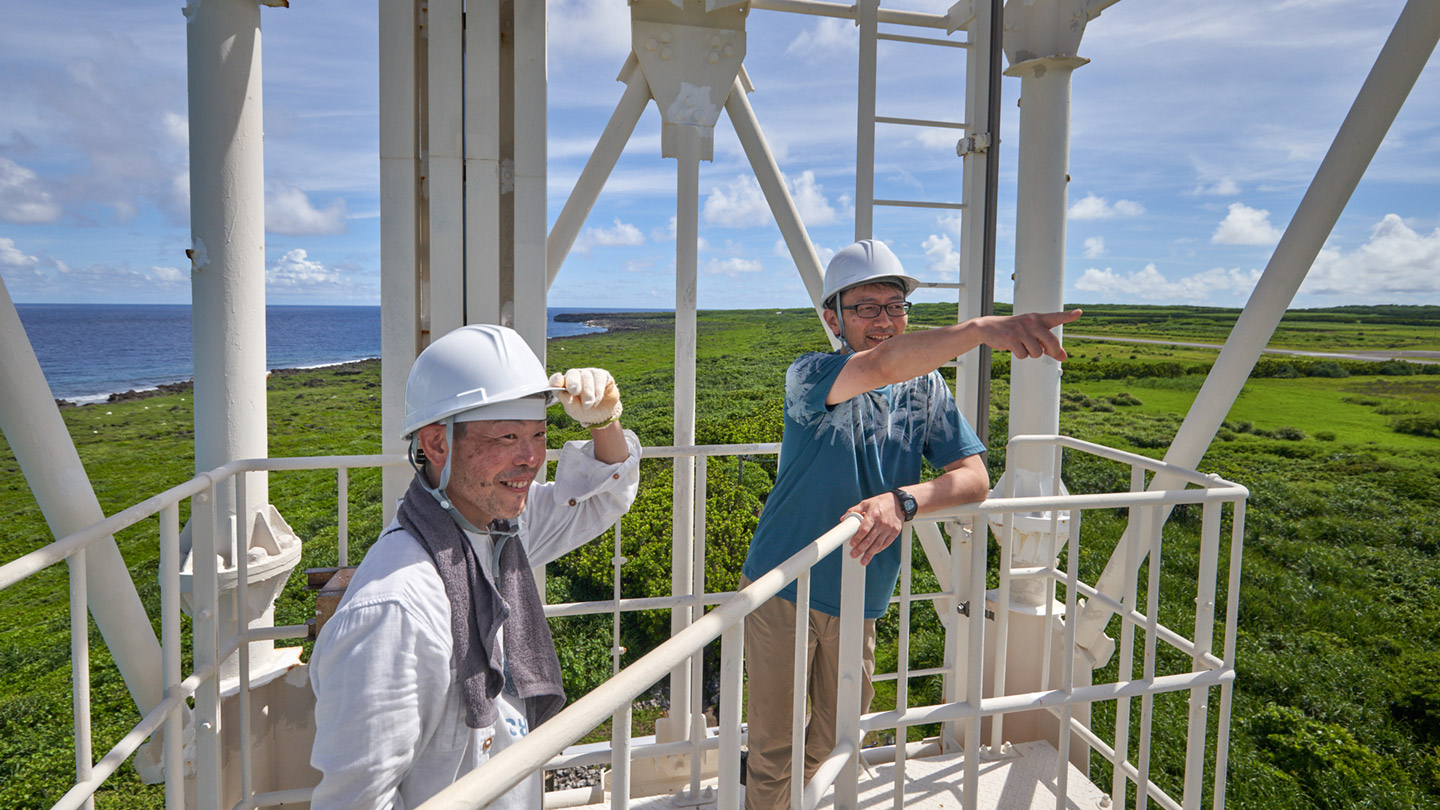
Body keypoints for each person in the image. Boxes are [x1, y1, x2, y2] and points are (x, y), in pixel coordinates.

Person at [739, 239, 1080, 810]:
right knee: (774, 746)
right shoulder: (811, 375)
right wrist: (979, 330)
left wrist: (904, 499)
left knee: (836, 734)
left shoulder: (927, 390)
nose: (884, 320)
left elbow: (974, 479)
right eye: (866, 308)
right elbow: (880, 366)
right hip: (784, 584)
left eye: (895, 307)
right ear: (833, 318)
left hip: (862, 590)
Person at [309, 324, 641, 810]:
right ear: (437, 444)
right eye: (507, 436)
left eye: (538, 434)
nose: (530, 459)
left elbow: (603, 499)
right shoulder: (396, 609)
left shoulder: (499, 532)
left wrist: (604, 421)